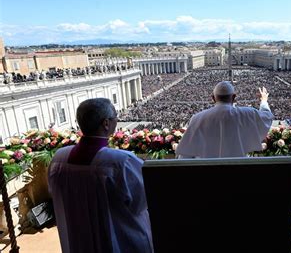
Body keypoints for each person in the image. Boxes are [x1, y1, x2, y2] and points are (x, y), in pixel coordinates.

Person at [48, 98, 153, 253]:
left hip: (79, 239)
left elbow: (54, 194)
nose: (117, 120)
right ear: (105, 123)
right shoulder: (122, 162)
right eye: (115, 117)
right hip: (121, 240)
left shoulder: (58, 159)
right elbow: (142, 202)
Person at [176, 81, 273, 158]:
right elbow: (267, 116)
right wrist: (264, 100)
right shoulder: (247, 113)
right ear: (234, 97)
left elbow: (186, 153)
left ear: (213, 98)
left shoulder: (197, 118)